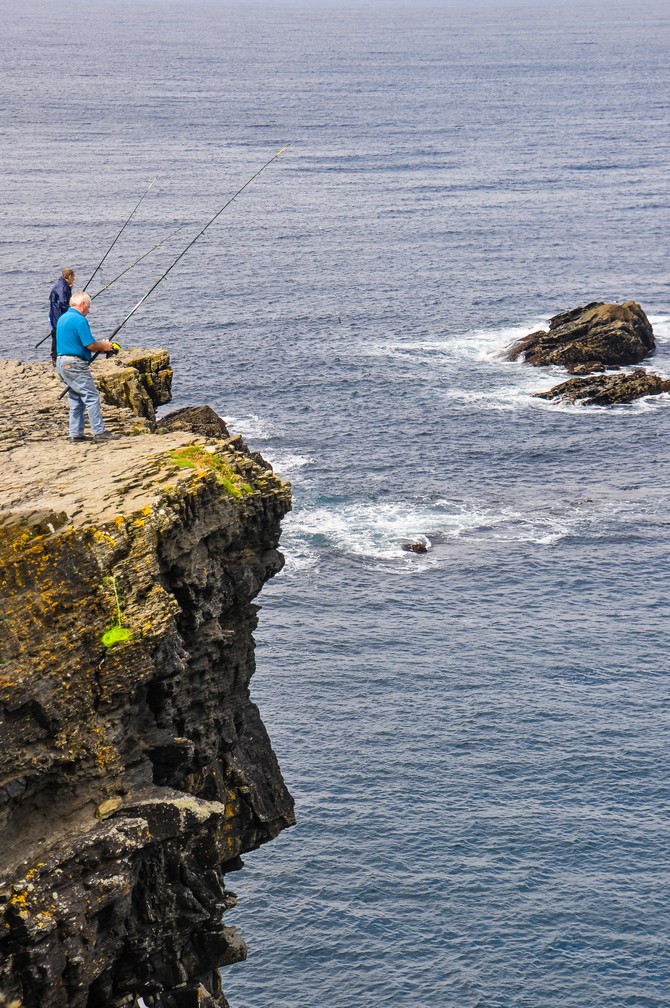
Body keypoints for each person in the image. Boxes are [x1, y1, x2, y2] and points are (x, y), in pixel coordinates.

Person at [55, 290, 118, 442]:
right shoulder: (79, 320)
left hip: (61, 362)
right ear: (82, 304)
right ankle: (99, 431)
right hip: (74, 364)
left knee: (76, 398)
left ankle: (75, 433)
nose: (89, 311)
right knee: (91, 396)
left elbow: (77, 343)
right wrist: (104, 345)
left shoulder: (63, 318)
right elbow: (89, 344)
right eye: (88, 307)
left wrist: (102, 348)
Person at [49, 267, 75, 363]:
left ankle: (59, 354)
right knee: (56, 335)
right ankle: (55, 357)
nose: (73, 280)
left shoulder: (63, 284)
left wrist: (69, 288)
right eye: (73, 278)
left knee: (58, 334)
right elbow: (62, 302)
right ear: (70, 276)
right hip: (58, 316)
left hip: (56, 315)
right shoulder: (62, 287)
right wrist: (72, 310)